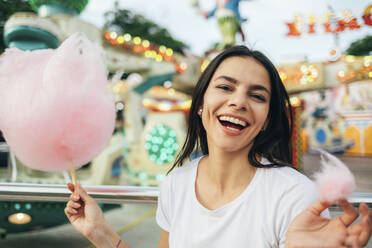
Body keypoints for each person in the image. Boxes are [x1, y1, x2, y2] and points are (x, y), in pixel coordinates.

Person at [65, 46, 371, 248]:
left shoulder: (294, 195)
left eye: (257, 96)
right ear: (200, 105)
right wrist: (100, 232)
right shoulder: (176, 184)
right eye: (225, 87)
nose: (238, 101)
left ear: (266, 120)